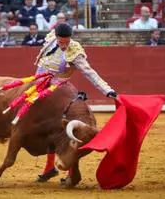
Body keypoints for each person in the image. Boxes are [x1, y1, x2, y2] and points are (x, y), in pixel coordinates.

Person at [34, 22, 117, 182]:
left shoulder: (75, 51)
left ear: (70, 38)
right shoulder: (51, 38)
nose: (64, 45)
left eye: (66, 42)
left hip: (58, 92)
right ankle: (50, 168)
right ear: (56, 37)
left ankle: (70, 170)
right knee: (44, 129)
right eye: (61, 42)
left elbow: (89, 72)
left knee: (62, 132)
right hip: (39, 87)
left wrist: (107, 90)